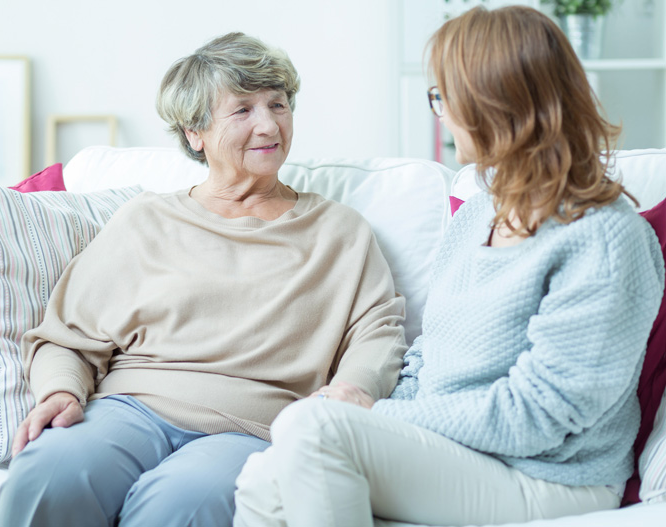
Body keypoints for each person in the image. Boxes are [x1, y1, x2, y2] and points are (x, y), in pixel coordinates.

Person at [233, 6, 666, 527]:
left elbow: (540, 416)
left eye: (445, 96)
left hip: (550, 475)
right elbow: (428, 357)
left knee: (317, 429)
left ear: (498, 102)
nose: (440, 112)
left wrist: (377, 414)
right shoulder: (481, 209)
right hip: (451, 448)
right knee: (262, 477)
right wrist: (385, 411)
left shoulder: (606, 237)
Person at [0, 32, 406, 527]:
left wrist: (354, 388)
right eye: (243, 110)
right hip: (129, 408)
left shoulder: (338, 231)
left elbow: (377, 331)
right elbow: (68, 335)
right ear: (195, 133)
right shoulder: (146, 220)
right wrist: (61, 391)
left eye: (278, 104)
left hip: (251, 427)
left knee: (179, 505)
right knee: (46, 475)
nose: (269, 124)